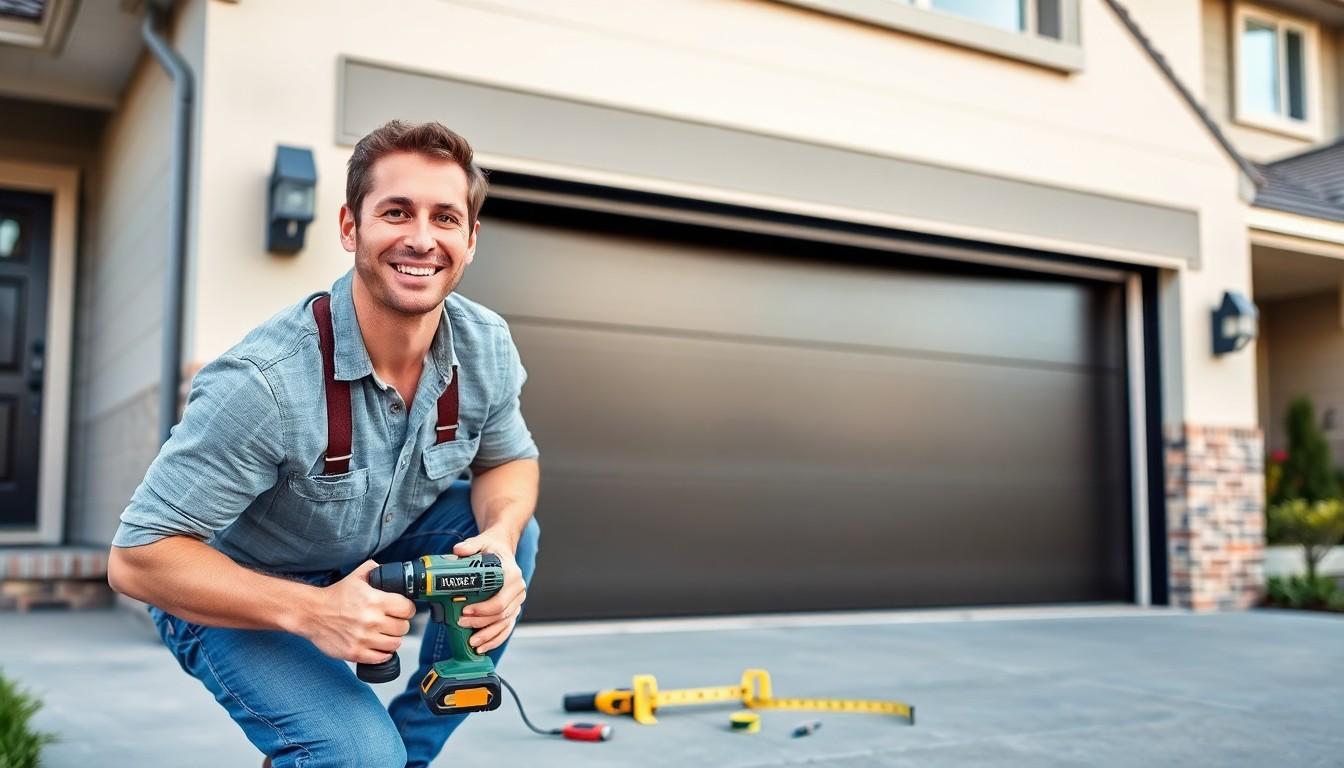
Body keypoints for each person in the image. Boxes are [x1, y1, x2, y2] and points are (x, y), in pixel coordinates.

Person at [107, 120, 540, 768]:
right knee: (359, 755)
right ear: (349, 227)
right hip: (226, 584)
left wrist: (501, 543)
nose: (422, 238)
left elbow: (509, 462)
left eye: (445, 217)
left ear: (471, 239)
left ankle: (401, 758)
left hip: (354, 556)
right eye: (397, 212)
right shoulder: (265, 383)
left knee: (516, 538)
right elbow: (137, 560)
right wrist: (314, 612)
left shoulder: (485, 345)